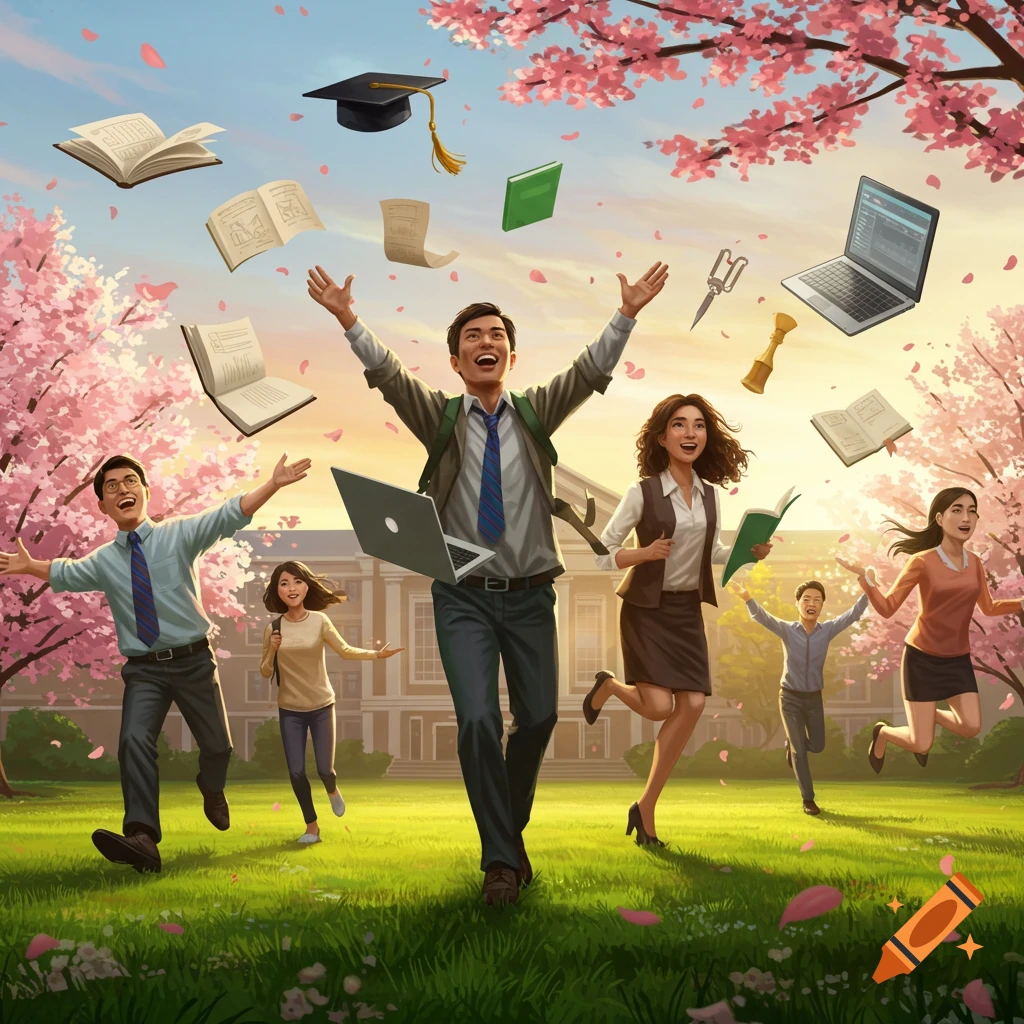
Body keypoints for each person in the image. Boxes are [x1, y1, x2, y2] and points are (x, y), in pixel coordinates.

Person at [307, 261, 668, 904]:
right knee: (477, 720)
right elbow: (389, 378)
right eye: (473, 334)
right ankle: (501, 862)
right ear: (455, 359)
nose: (486, 342)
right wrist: (346, 318)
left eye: (496, 333)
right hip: (463, 600)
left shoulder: (534, 414)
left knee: (535, 720)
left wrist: (628, 313)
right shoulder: (441, 420)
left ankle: (505, 830)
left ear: (510, 352)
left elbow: (588, 372)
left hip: (530, 596)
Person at [0, 452, 310, 873]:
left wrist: (272, 484)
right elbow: (67, 573)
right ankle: (143, 836)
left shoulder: (179, 535)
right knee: (133, 741)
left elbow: (228, 514)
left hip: (194, 661)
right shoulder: (104, 561)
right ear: (102, 506)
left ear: (145, 492)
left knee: (219, 747)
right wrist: (29, 566)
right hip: (145, 669)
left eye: (130, 481)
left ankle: (211, 785)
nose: (122, 489)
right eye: (112, 486)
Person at [583, 395, 771, 845]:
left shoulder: (709, 495)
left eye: (699, 425)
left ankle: (645, 808)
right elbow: (601, 555)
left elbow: (715, 554)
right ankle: (608, 685)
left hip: (686, 611)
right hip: (647, 610)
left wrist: (751, 551)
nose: (690, 434)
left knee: (692, 705)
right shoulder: (642, 491)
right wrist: (644, 553)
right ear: (662, 436)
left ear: (708, 436)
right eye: (680, 425)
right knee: (659, 707)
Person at [835, 487, 1024, 771]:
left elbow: (988, 607)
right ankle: (883, 732)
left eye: (972, 510)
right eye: (957, 510)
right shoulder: (922, 561)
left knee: (971, 726)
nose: (966, 517)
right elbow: (888, 608)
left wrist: (1020, 602)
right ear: (939, 518)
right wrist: (868, 580)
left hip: (957, 659)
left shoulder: (974, 563)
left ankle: (929, 715)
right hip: (922, 658)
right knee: (921, 744)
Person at [259, 560, 403, 844]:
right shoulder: (273, 628)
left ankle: (332, 790)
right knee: (296, 771)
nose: (291, 588)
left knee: (325, 769)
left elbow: (345, 651)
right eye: (284, 583)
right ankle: (312, 827)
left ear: (306, 585)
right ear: (277, 591)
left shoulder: (319, 621)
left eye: (297, 581)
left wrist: (377, 655)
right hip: (290, 710)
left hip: (322, 705)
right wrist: (272, 650)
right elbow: (265, 671)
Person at [727, 578, 869, 815]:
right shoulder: (787, 629)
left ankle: (792, 745)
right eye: (806, 599)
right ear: (798, 604)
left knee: (818, 745)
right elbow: (764, 618)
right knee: (799, 752)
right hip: (790, 697)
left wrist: (868, 591)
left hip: (814, 698)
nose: (811, 603)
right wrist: (747, 597)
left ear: (822, 606)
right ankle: (808, 800)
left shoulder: (829, 630)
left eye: (817, 600)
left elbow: (852, 615)